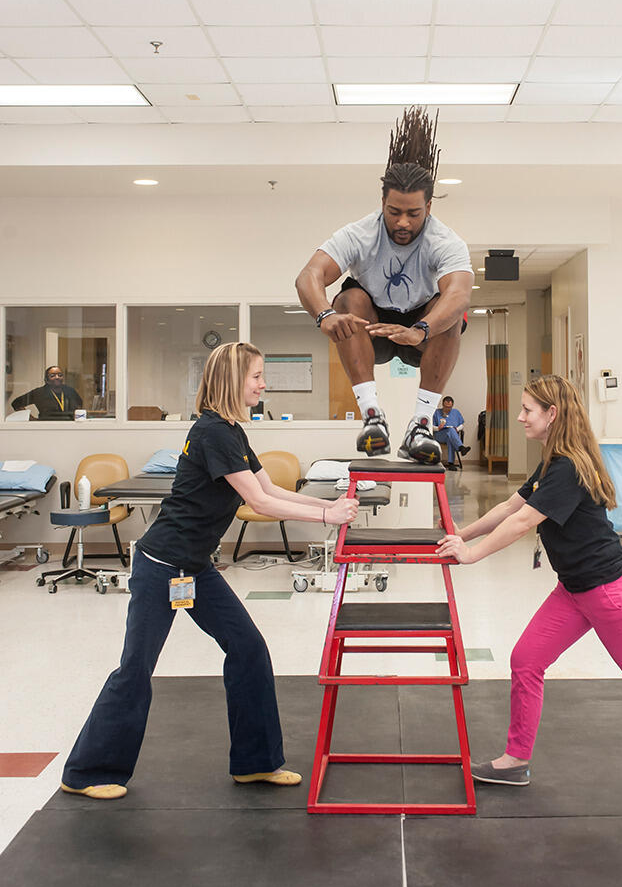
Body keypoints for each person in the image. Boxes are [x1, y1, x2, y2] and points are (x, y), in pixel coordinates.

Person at [60, 342, 358, 800]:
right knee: (136, 669)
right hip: (162, 566)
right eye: (256, 375)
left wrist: (328, 505)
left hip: (195, 568)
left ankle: (256, 763)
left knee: (248, 650)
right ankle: (85, 772)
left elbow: (268, 485)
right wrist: (325, 519)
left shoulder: (232, 430)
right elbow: (257, 503)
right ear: (231, 380)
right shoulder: (213, 432)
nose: (263, 383)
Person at [437, 374, 622, 799]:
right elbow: (509, 505)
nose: (519, 417)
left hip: (609, 591)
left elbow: (523, 522)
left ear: (551, 414)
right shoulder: (553, 461)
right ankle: (515, 761)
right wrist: (461, 535)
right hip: (575, 590)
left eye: (527, 410)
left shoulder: (569, 466)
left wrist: (472, 555)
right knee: (526, 660)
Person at [296, 106, 473, 463]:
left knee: (453, 314)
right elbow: (309, 276)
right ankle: (373, 417)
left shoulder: (445, 241)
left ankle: (420, 425)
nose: (402, 222)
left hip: (422, 332)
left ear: (429, 206)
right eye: (394, 212)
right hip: (371, 329)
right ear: (382, 203)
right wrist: (324, 315)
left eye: (413, 213)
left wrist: (422, 329)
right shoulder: (360, 232)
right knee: (349, 300)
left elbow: (458, 292)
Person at [11, 366, 83, 420]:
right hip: (45, 427)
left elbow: (79, 406)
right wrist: (32, 419)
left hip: (68, 426)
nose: (57, 377)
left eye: (60, 375)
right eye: (52, 375)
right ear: (46, 380)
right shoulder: (39, 393)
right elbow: (16, 403)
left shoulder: (70, 391)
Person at [433, 395, 471, 469]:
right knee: (450, 431)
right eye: (446, 407)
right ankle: (461, 447)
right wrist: (438, 428)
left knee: (450, 437)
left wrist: (457, 429)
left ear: (452, 405)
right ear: (442, 405)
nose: (447, 409)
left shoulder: (456, 412)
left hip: (451, 436)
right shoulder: (436, 412)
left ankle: (451, 464)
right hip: (440, 435)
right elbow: (431, 426)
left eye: (449, 407)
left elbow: (462, 425)